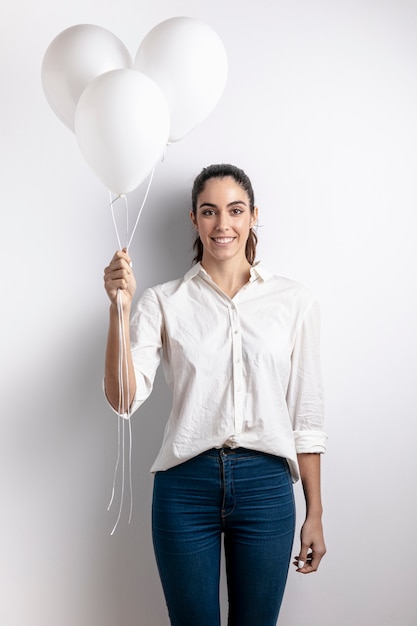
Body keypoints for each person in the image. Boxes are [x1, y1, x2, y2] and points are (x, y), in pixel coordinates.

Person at [103, 163, 327, 626]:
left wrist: (315, 512)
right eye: (209, 211)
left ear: (253, 216)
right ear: (194, 219)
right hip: (185, 486)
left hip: (266, 487)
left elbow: (305, 416)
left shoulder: (294, 301)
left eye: (235, 210)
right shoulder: (164, 301)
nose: (222, 224)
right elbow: (123, 399)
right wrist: (118, 311)